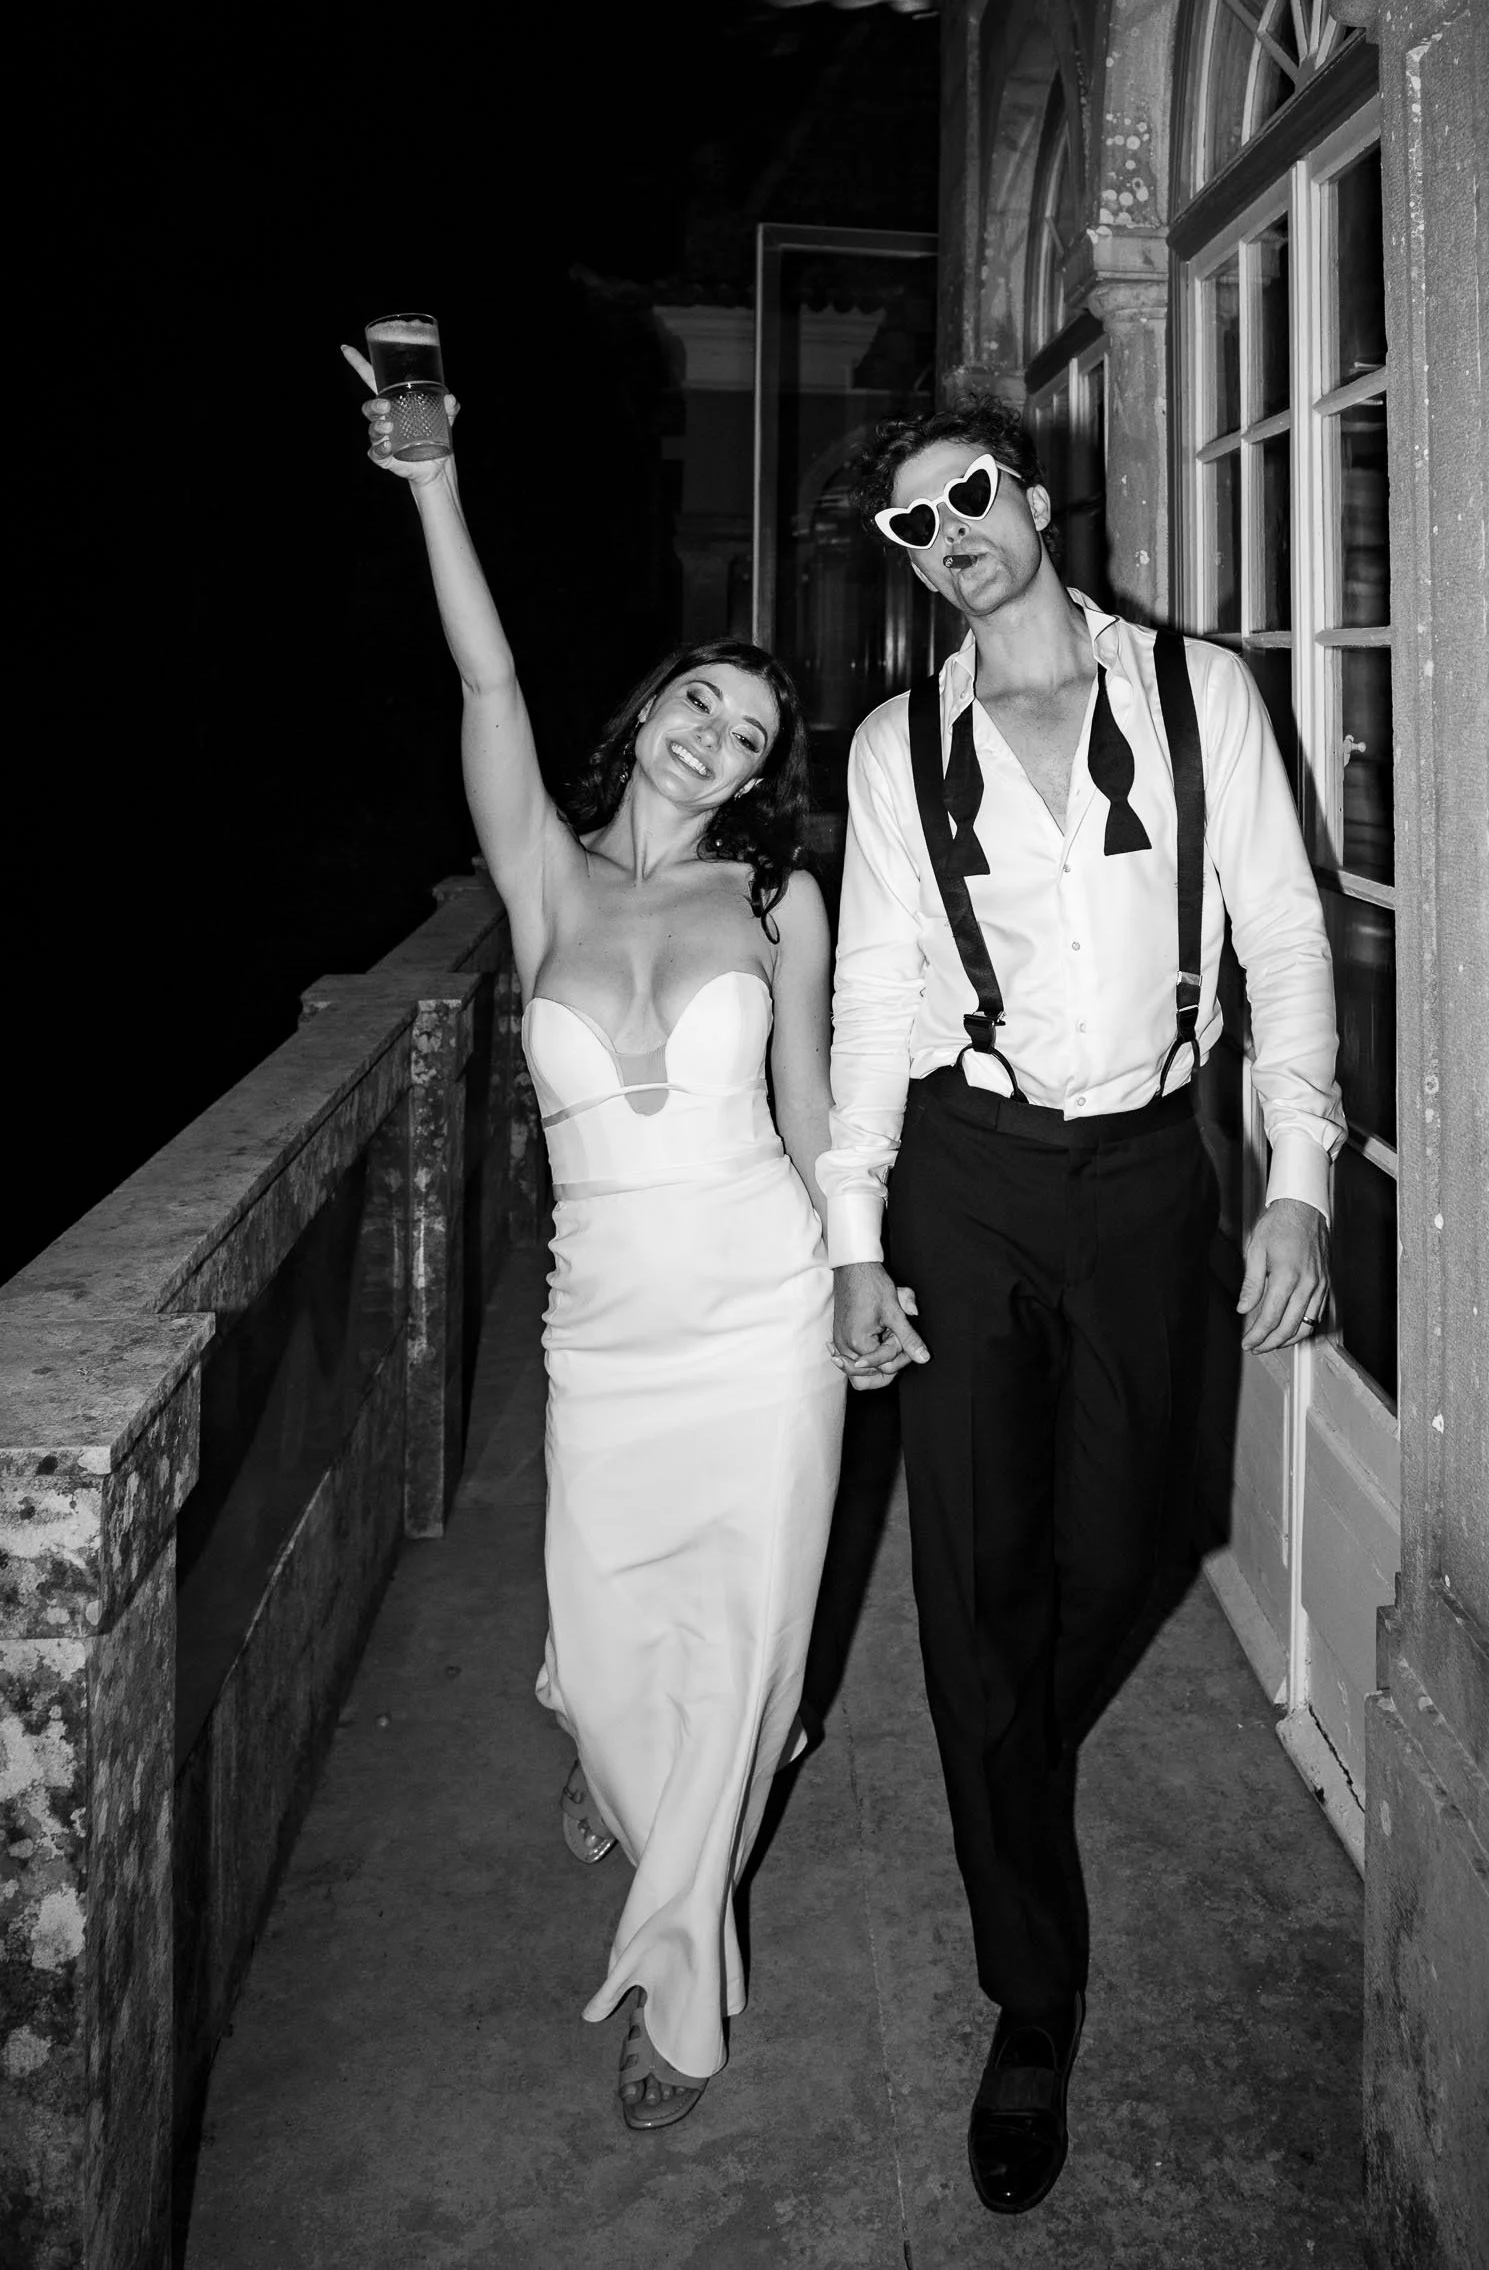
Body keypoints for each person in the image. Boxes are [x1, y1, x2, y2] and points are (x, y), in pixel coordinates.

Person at [821, 400, 1344, 2215]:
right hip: (966, 1176)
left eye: (968, 496)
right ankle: (1029, 1999)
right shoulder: (902, 746)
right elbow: (875, 997)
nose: (947, 532)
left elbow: (1282, 936)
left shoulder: (1204, 696)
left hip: (1145, 1179)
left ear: (1035, 501)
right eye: (911, 528)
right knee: (973, 1581)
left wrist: (1297, 1179)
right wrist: (856, 1236)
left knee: (1139, 1531)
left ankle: (1012, 1744)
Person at [343, 347, 846, 2131]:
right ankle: (620, 1774)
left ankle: (682, 1983)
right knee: (622, 1650)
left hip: (765, 1315)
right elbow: (482, 670)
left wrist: (858, 1274)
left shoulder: (776, 898)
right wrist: (431, 482)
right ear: (646, 714)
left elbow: (806, 1110)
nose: (721, 746)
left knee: (740, 1656)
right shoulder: (545, 878)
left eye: (755, 740)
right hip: (610, 1337)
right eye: (702, 708)